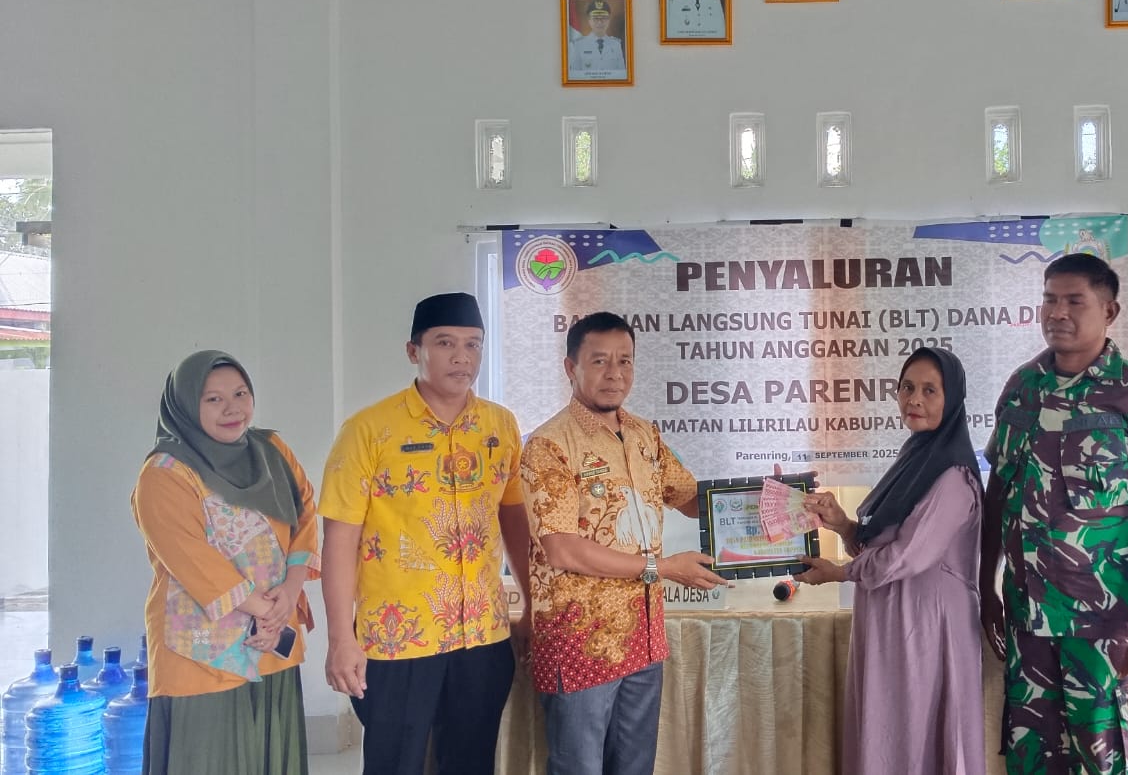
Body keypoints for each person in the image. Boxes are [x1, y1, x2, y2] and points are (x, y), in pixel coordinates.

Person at [978, 253, 1128, 775]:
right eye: (1049, 299)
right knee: (1035, 762)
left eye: (1074, 301)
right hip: (1029, 624)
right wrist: (986, 585)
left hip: (1110, 630)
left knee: (1113, 762)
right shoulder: (1021, 388)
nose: (1057, 312)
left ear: (1109, 310)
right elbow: (998, 495)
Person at [320, 292, 531, 775]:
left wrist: (531, 604)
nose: (462, 357)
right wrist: (340, 639)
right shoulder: (369, 430)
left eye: (473, 344)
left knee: (471, 763)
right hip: (399, 640)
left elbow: (514, 521)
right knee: (394, 764)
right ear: (414, 351)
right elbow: (339, 541)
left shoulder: (499, 425)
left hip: (481, 635)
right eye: (445, 343)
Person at [521, 311, 728, 775]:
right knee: (578, 768)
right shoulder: (549, 445)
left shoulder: (643, 435)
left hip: (643, 639)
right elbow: (562, 549)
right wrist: (662, 568)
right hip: (580, 641)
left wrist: (773, 499)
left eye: (625, 360)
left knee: (634, 767)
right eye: (599, 361)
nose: (614, 373)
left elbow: (690, 499)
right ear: (570, 367)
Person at [794, 347, 986, 775]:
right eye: (907, 388)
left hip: (928, 624)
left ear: (952, 398)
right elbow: (880, 545)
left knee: (917, 731)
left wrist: (840, 573)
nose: (914, 399)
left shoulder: (953, 475)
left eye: (930, 390)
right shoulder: (915, 459)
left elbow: (907, 556)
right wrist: (843, 525)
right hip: (892, 617)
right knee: (889, 728)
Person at [131, 350, 320, 773]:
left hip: (271, 638)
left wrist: (290, 592)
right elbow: (188, 556)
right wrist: (266, 610)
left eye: (240, 393)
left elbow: (304, 512)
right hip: (201, 651)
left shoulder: (272, 451)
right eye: (213, 399)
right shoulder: (164, 473)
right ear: (185, 405)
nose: (232, 408)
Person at [568, 0, 627, 80]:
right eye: (595, 18)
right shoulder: (578, 45)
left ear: (608, 20)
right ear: (589, 21)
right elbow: (575, 76)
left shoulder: (616, 45)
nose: (599, 22)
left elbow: (621, 75)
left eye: (603, 18)